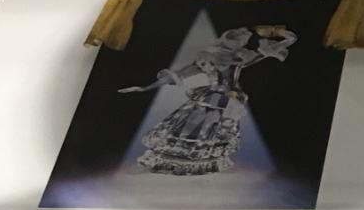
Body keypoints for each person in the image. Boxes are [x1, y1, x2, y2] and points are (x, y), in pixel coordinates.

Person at [119, 24, 294, 176]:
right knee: (184, 128)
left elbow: (271, 49)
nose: (206, 66)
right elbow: (175, 76)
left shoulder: (239, 59)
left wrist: (286, 36)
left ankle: (214, 163)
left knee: (217, 132)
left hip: (229, 99)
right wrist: (145, 88)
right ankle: (150, 162)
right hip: (211, 97)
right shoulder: (206, 60)